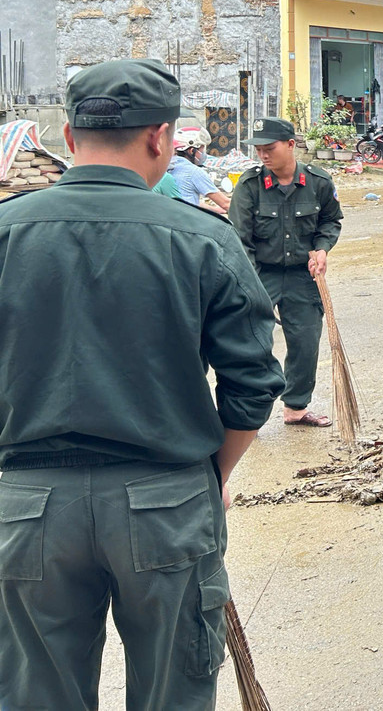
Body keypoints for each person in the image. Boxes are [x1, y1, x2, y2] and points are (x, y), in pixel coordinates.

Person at [0, 59, 283, 709]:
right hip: (165, 504)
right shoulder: (202, 238)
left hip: (29, 506)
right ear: (161, 137)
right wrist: (214, 474)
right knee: (172, 694)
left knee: (35, 696)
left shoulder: (8, 232)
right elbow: (253, 382)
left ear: (69, 138)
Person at [228, 117, 344, 427]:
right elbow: (239, 240)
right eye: (259, 150)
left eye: (269, 148)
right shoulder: (249, 185)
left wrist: (322, 249)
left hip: (301, 277)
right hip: (259, 274)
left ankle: (296, 408)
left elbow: (331, 221)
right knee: (251, 344)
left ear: (291, 145)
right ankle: (247, 414)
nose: (263, 156)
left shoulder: (319, 182)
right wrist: (248, 286)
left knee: (305, 343)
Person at [169, 126, 231, 213]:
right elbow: (225, 203)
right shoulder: (193, 172)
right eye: (202, 150)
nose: (203, 154)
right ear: (191, 151)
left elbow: (191, 202)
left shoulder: (167, 167)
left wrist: (216, 210)